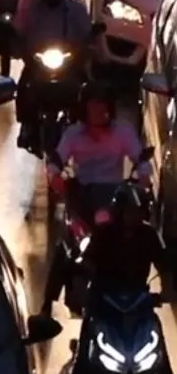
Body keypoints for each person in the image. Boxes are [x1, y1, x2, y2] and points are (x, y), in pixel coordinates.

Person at [55, 184, 177, 374]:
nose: (132, 216)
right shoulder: (103, 235)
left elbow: (165, 265)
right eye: (128, 211)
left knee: (162, 364)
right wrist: (80, 287)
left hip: (139, 306)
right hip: (104, 305)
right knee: (82, 366)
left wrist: (166, 293)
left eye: (136, 211)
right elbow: (86, 265)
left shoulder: (148, 236)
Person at [41, 80, 152, 315]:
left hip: (116, 197)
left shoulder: (123, 131)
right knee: (66, 246)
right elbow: (55, 163)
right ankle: (46, 307)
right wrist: (55, 178)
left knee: (141, 234)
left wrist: (143, 181)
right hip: (83, 196)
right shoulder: (72, 135)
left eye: (102, 106)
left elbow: (142, 162)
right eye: (93, 106)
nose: (98, 112)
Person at [15, 0, 93, 153]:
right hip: (38, 64)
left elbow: (88, 36)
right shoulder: (30, 9)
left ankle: (90, 128)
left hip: (70, 65)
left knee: (90, 89)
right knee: (24, 87)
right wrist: (24, 51)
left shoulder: (76, 10)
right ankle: (27, 127)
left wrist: (83, 49)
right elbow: (19, 33)